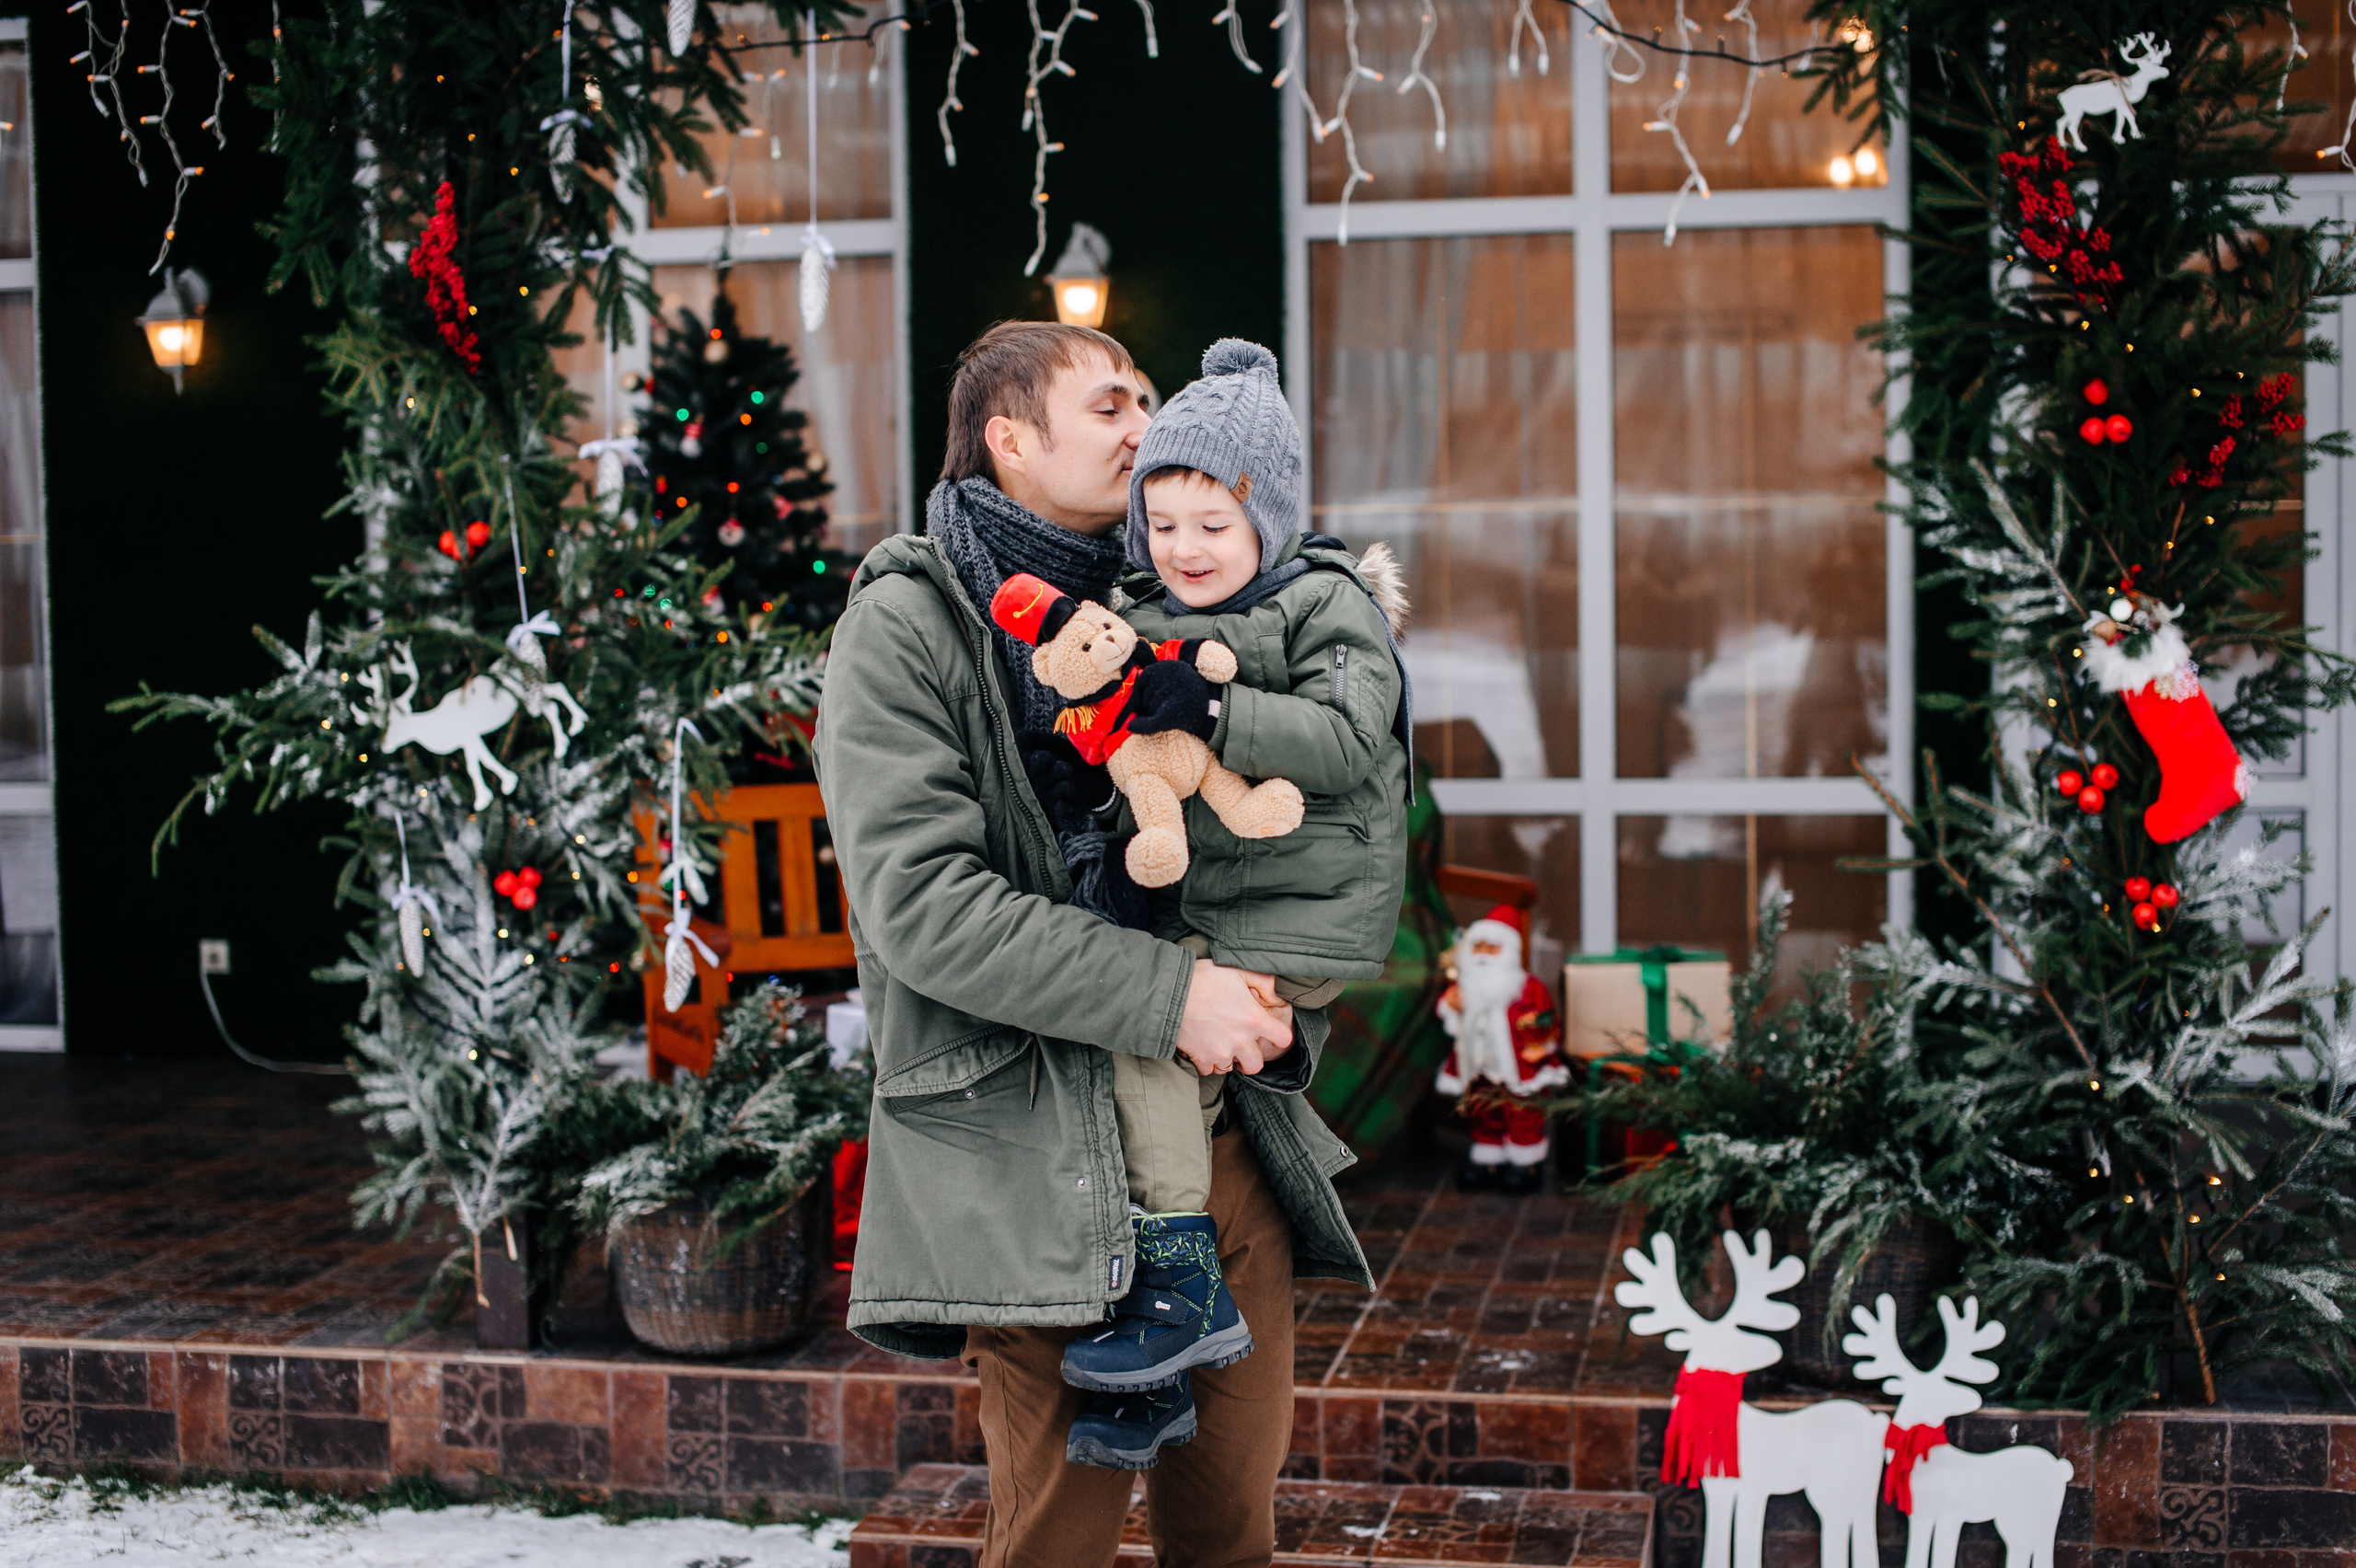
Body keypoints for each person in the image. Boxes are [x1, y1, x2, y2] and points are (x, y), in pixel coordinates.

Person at [814, 320, 1373, 1568]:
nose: (1145, 426)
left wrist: (1287, 984)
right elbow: (924, 910)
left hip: (1228, 1146)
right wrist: (1173, 994)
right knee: (1057, 1543)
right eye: (1112, 404)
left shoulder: (1186, 595)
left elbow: (1307, 815)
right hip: (1034, 1162)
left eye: (1151, 399)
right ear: (1009, 441)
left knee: (1229, 1532)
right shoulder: (908, 628)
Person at [1062, 340, 1413, 1442]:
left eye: (1213, 526)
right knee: (1155, 1087)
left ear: (1268, 516)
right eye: (1161, 526)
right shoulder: (1147, 612)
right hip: (1222, 902)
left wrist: (1210, 713)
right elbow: (1137, 753)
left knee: (1151, 1035)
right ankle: (1157, 1372)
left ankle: (1179, 1289)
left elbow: (1352, 740)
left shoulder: (1327, 604)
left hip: (1302, 906)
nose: (1184, 549)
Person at [1435, 904, 1568, 1193]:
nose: (1482, 954)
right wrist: (1450, 1006)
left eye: (1491, 948)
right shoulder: (1465, 987)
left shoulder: (1527, 987)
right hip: (1479, 1069)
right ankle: (1489, 1160)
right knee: (1484, 1113)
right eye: (1477, 946)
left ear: (1508, 952)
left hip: (1518, 1072)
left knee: (1523, 1115)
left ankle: (1525, 1164)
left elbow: (1546, 1019)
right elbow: (1448, 1012)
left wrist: (1539, 1044)